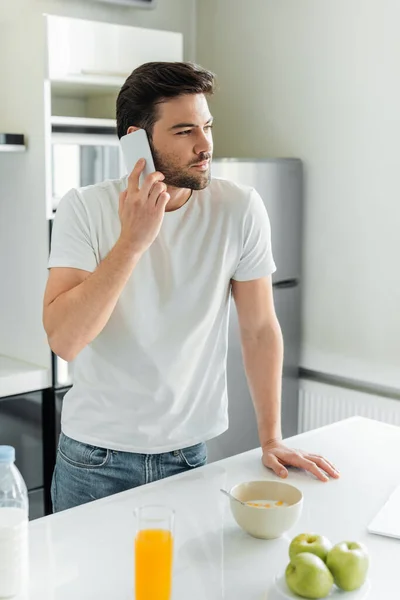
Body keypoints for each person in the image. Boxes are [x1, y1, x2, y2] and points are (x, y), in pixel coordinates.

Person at [43, 62, 339, 513]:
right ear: (135, 140)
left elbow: (259, 328)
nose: (205, 146)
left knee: (181, 586)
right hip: (93, 460)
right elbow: (65, 340)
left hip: (189, 455)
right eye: (184, 131)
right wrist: (133, 242)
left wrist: (272, 438)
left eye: (207, 126)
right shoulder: (83, 209)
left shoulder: (239, 208)